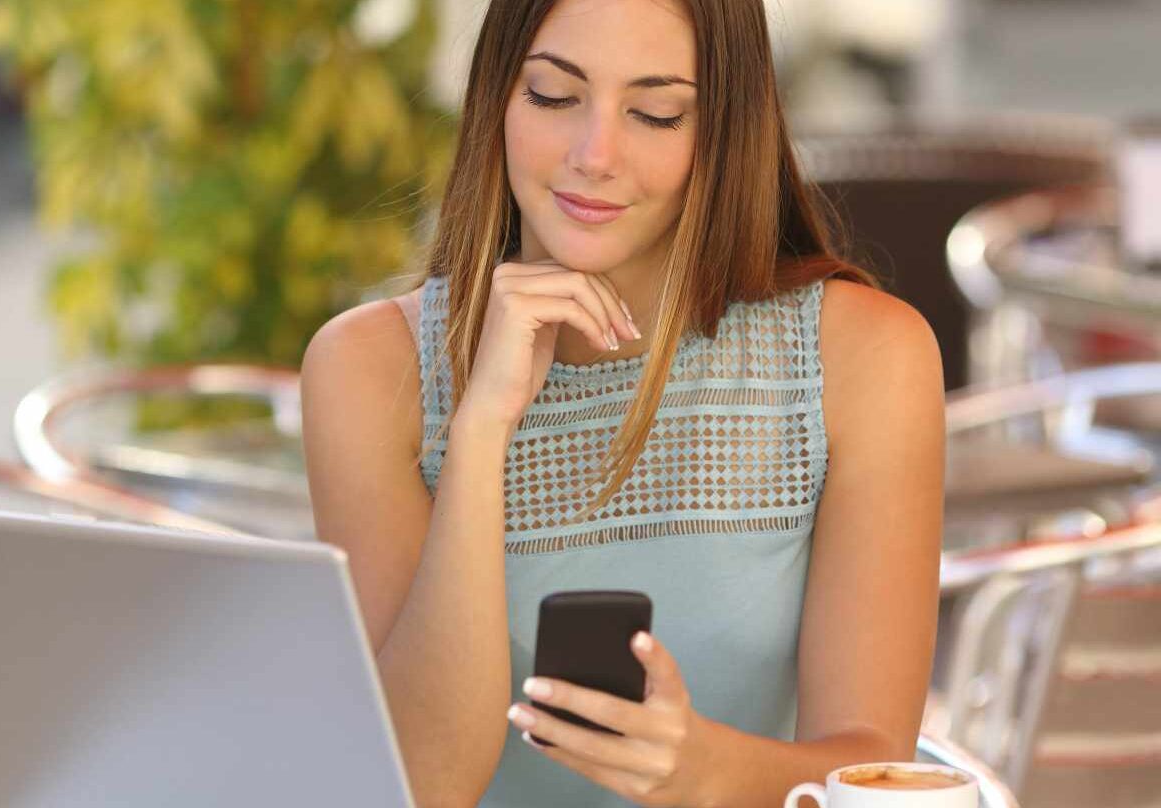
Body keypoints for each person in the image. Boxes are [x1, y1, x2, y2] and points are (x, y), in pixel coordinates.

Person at [300, 0, 944, 805]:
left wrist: (697, 767)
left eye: (655, 112)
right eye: (552, 96)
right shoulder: (366, 369)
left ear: (722, 130)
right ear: (496, 98)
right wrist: (481, 433)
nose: (594, 154)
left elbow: (877, 778)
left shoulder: (863, 359)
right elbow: (417, 787)